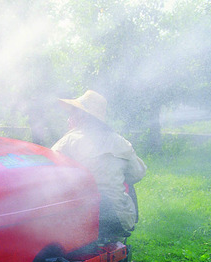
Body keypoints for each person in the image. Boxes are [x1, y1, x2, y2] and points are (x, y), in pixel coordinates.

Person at [51, 90, 146, 242]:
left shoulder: (67, 142)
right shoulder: (120, 141)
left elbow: (48, 171)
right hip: (117, 219)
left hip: (81, 219)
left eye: (72, 113)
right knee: (128, 183)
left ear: (82, 116)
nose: (69, 118)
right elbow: (137, 173)